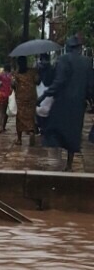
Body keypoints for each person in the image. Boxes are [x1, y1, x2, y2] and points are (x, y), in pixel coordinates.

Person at [39, 36, 94, 170]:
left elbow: (58, 81)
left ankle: (56, 154)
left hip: (62, 102)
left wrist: (44, 96)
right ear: (79, 48)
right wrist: (91, 100)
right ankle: (69, 164)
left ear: (68, 48)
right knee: (74, 133)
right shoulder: (87, 62)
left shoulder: (63, 59)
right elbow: (90, 85)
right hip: (78, 104)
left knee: (53, 127)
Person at [13, 56, 38, 146]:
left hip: (21, 98)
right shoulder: (32, 72)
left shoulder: (17, 74)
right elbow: (37, 81)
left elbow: (14, 85)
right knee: (31, 116)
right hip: (31, 97)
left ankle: (19, 139)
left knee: (19, 117)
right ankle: (31, 131)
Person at [0, 62, 13, 133]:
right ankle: (4, 127)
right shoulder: (11, 76)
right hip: (9, 95)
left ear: (4, 68)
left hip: (1, 95)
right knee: (6, 112)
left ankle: (1, 127)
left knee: (1, 112)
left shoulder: (1, 75)